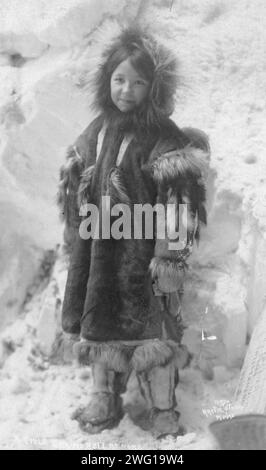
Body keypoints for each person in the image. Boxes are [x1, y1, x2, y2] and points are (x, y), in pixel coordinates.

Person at [57, 26, 210, 438]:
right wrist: (75, 215)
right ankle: (104, 394)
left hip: (142, 257)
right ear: (107, 81)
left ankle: (163, 407)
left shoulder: (163, 136)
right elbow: (76, 175)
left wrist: (170, 256)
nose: (127, 90)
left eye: (139, 82)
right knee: (99, 322)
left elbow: (179, 198)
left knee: (153, 333)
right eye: (119, 79)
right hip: (99, 253)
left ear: (154, 88)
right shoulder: (99, 129)